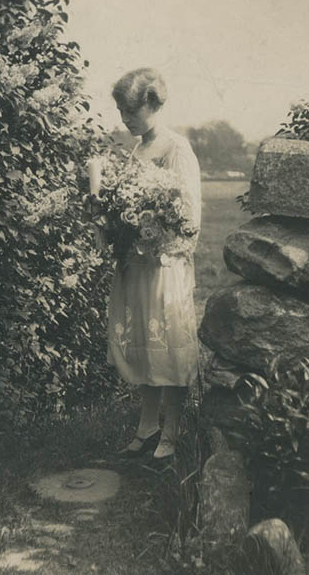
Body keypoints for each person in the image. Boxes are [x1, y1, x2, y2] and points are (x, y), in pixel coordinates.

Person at [100, 67, 201, 464]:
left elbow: (188, 214)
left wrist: (155, 237)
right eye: (121, 110)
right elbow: (125, 204)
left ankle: (172, 430)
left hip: (164, 264)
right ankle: (146, 427)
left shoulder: (177, 148)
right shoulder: (136, 150)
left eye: (130, 110)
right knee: (144, 346)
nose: (124, 118)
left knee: (168, 347)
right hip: (136, 265)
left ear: (153, 104)